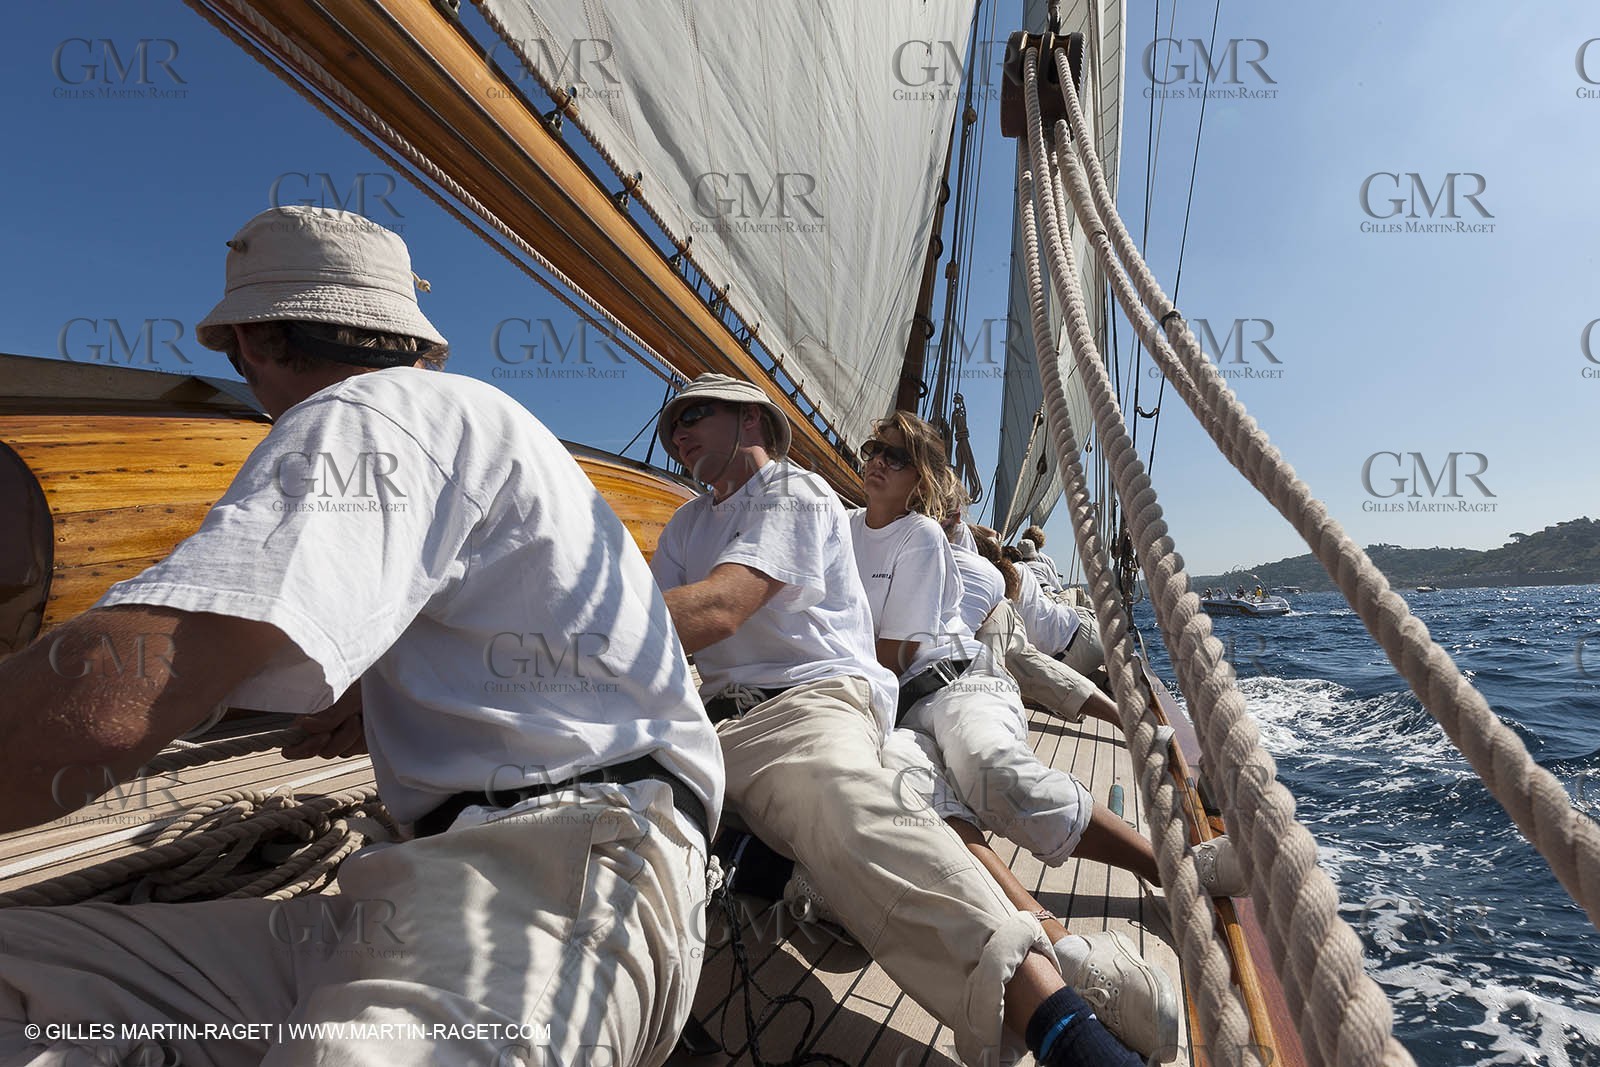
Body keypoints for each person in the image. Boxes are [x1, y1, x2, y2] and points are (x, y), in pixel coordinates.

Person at [0, 206, 722, 1067]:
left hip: (547, 884)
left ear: (256, 343)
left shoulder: (370, 412)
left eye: (237, 360)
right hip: (448, 880)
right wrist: (371, 695)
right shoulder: (473, 422)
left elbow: (116, 700)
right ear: (410, 337)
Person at [649, 374, 1149, 1067]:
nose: (677, 431)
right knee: (918, 812)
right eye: (671, 421)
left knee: (943, 791)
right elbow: (667, 630)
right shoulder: (690, 525)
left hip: (859, 697)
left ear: (751, 421)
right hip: (750, 719)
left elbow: (723, 610)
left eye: (694, 413)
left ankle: (1071, 1015)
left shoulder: (801, 495)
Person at [845, 415, 1182, 1059]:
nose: (876, 461)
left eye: (895, 455)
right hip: (894, 711)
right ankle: (1054, 942)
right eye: (872, 449)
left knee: (992, 775)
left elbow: (893, 650)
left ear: (920, 479)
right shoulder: (840, 529)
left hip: (955, 684)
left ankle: (1169, 869)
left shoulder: (922, 540)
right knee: (927, 815)